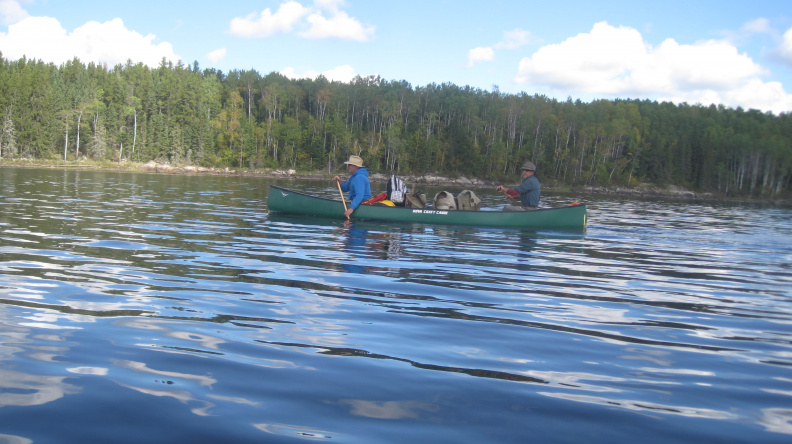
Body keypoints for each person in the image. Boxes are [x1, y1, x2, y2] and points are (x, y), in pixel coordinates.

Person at [334, 155, 372, 219]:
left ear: (356, 166)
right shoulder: (354, 176)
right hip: (357, 201)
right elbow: (345, 188)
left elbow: (360, 195)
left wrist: (351, 209)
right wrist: (339, 181)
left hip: (363, 203)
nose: (348, 166)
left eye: (350, 165)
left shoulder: (359, 177)